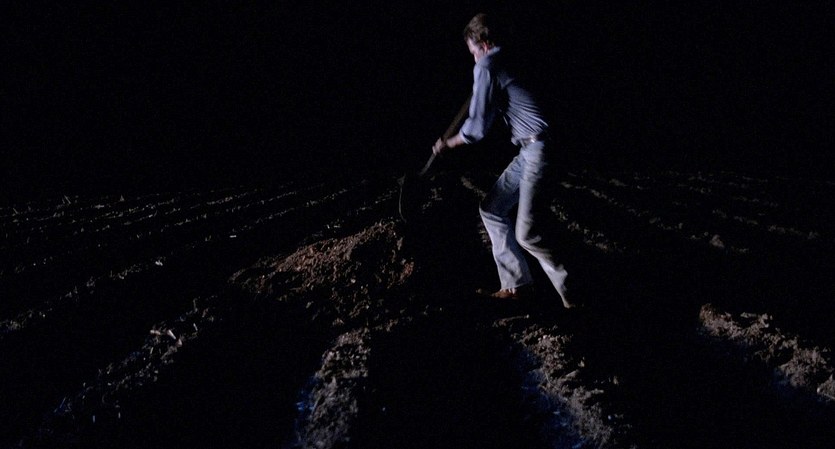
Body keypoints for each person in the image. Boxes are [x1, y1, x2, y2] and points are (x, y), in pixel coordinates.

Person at [432, 13, 578, 308]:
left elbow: (477, 128)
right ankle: (516, 286)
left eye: (473, 52)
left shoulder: (487, 64)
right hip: (530, 148)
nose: (474, 59)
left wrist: (448, 143)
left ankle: (576, 295)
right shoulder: (509, 58)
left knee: (528, 233)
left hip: (540, 148)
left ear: (484, 44)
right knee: (492, 208)